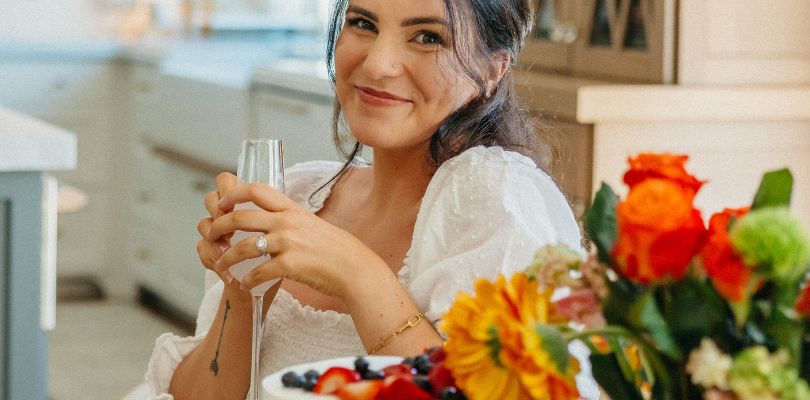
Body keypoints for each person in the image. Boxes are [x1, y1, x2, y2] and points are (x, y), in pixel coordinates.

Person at [138, 0, 596, 398]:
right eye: (363, 23)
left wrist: (354, 273)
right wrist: (243, 295)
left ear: (493, 71)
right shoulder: (300, 193)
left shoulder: (495, 199)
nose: (378, 64)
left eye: (427, 36)